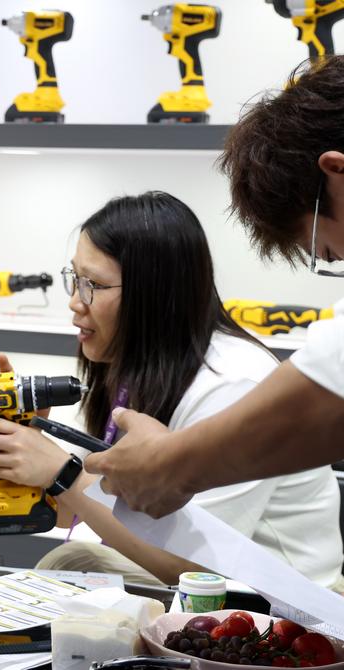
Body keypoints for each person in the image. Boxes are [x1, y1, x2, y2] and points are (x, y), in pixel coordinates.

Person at [0, 192, 344, 589]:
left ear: (155, 294)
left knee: (69, 564)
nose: (75, 301)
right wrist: (23, 451)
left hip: (281, 603)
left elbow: (197, 567)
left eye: (93, 284)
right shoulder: (136, 370)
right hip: (194, 590)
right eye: (74, 279)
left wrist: (60, 473)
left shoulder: (234, 382)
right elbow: (72, 513)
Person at [84, 57, 344, 519]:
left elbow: (327, 388)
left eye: (330, 253)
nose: (77, 301)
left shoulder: (234, 378)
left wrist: (165, 465)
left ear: (336, 172)